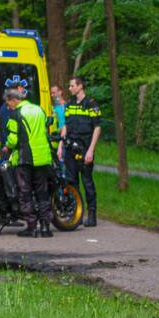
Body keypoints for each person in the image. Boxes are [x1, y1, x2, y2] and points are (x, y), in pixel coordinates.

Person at [1, 87, 54, 238]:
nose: (7, 106)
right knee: (42, 192)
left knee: (25, 193)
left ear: (13, 99)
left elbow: (13, 138)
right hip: (42, 157)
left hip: (25, 158)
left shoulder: (16, 113)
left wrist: (7, 147)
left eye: (8, 103)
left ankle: (31, 227)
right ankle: (45, 227)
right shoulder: (39, 110)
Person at [61, 76, 102, 227]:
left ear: (80, 86)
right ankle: (76, 213)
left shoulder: (91, 104)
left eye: (72, 86)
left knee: (87, 183)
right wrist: (61, 145)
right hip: (70, 149)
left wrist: (91, 150)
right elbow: (65, 125)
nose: (70, 88)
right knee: (71, 183)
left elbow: (97, 128)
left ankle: (92, 215)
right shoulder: (70, 104)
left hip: (85, 149)